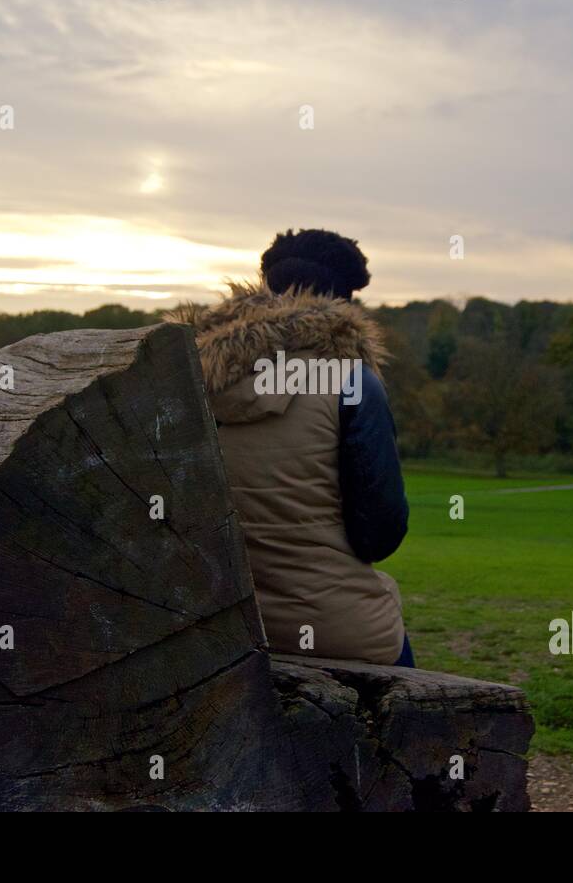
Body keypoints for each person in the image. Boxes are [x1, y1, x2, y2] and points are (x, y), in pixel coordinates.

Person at [167, 228, 414, 667]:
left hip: (212, 625)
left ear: (265, 285)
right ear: (345, 300)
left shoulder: (185, 376)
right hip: (336, 630)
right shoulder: (352, 382)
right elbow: (380, 533)